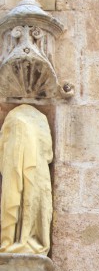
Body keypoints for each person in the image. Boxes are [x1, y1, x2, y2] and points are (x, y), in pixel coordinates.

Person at [0, 104, 53, 255]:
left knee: (24, 200)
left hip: (30, 168)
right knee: (15, 199)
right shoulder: (35, 120)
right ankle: (16, 241)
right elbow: (48, 153)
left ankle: (19, 240)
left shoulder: (13, 119)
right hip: (20, 169)